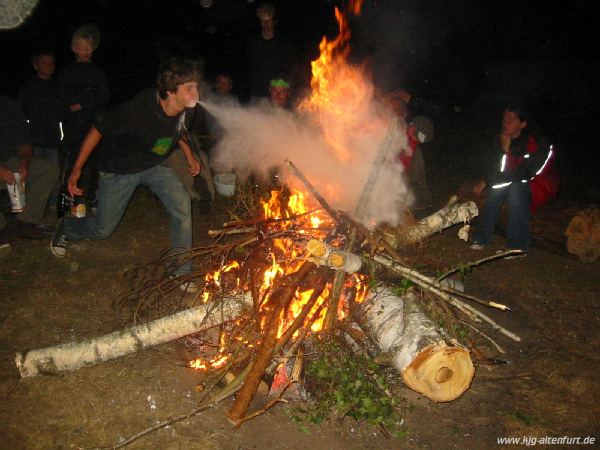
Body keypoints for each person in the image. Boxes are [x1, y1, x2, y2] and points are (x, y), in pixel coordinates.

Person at [50, 58, 203, 288]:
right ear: (170, 92)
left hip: (153, 164)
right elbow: (97, 129)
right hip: (119, 169)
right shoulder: (136, 111)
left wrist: (189, 154)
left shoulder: (188, 110)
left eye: (195, 86)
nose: (196, 93)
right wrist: (77, 169)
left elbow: (177, 129)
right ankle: (68, 227)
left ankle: (180, 270)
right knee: (103, 229)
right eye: (189, 88)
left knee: (182, 204)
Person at [469, 105, 559, 255]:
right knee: (497, 190)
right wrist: (503, 151)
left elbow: (526, 173)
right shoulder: (501, 139)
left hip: (540, 185)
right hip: (514, 180)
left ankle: (517, 247)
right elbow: (497, 169)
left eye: (512, 119)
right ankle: (481, 237)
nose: (506, 122)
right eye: (505, 119)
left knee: (516, 189)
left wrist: (487, 180)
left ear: (523, 124)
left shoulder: (540, 142)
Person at [59, 24, 110, 210]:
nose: (86, 50)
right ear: (74, 48)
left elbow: (103, 97)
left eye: (89, 47)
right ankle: (69, 200)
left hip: (94, 125)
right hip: (74, 127)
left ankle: (92, 199)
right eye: (82, 47)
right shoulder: (67, 72)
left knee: (95, 163)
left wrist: (83, 101)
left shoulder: (98, 72)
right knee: (73, 161)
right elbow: (66, 98)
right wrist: (86, 98)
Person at [1, 95, 59, 239]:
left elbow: (24, 143)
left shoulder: (9, 106)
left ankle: (25, 222)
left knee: (48, 170)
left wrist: (25, 163)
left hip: (9, 160)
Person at [17, 49, 62, 205]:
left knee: (54, 172)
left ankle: (53, 203)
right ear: (36, 65)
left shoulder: (58, 86)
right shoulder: (28, 87)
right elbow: (20, 113)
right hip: (33, 139)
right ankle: (31, 204)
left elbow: (63, 111)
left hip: (52, 138)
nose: (50, 66)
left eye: (52, 63)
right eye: (45, 63)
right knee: (33, 173)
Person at [387, 90, 434, 211]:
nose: (396, 112)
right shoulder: (385, 127)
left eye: (399, 109)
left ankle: (421, 204)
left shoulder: (414, 132)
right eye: (393, 109)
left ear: (405, 113)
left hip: (402, 173)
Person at [246, 3, 291, 100]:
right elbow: (248, 66)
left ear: (274, 22)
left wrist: (282, 90)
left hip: (276, 94)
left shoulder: (282, 42)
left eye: (269, 20)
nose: (266, 23)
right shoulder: (254, 42)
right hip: (257, 93)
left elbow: (287, 68)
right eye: (263, 20)